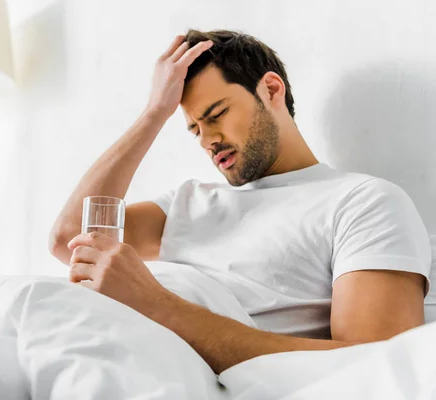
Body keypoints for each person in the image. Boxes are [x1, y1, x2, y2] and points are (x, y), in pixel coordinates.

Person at [49, 29, 431, 374]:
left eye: (217, 115)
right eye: (195, 129)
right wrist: (153, 113)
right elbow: (70, 240)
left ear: (271, 89)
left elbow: (374, 363)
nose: (207, 140)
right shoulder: (187, 202)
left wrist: (154, 304)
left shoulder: (362, 203)